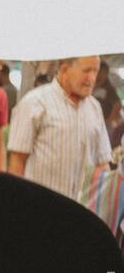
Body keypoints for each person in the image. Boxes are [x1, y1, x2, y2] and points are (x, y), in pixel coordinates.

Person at [8, 56, 111, 199]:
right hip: (41, 207)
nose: (92, 78)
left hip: (83, 213)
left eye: (95, 71)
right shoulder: (34, 103)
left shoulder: (94, 108)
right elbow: (17, 161)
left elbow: (102, 163)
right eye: (86, 71)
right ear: (64, 70)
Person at [93, 60, 121, 127]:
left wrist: (109, 120)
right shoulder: (89, 85)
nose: (100, 75)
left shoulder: (109, 88)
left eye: (103, 73)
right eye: (98, 71)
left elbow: (117, 104)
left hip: (104, 123)